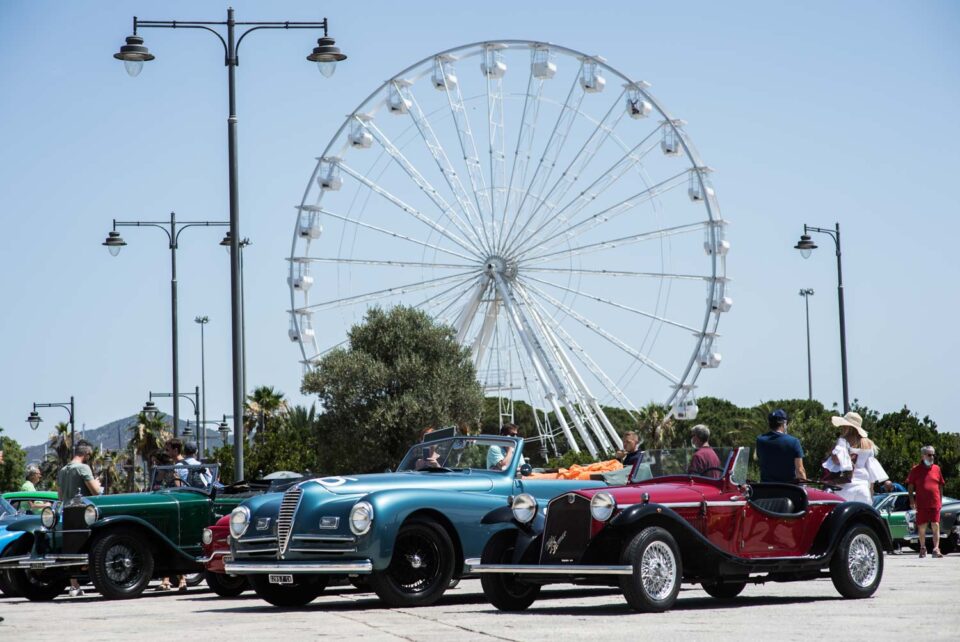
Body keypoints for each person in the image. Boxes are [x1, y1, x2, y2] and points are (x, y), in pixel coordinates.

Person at [57, 440, 102, 597]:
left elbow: (60, 495)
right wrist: (97, 483)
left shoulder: (62, 470)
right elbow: (96, 492)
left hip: (66, 512)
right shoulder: (83, 468)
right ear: (86, 454)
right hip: (82, 513)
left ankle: (74, 585)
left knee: (70, 548)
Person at [828, 412, 888, 504]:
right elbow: (871, 472)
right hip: (863, 487)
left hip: (845, 487)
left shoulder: (842, 441)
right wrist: (870, 492)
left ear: (848, 426)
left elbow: (836, 461)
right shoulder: (868, 443)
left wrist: (833, 451)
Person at [907, 445, 947, 558]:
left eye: (933, 454)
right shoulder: (915, 470)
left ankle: (936, 549)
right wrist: (911, 500)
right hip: (921, 503)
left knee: (935, 525)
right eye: (929, 455)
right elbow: (910, 486)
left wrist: (940, 499)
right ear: (923, 455)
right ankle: (923, 547)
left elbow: (940, 485)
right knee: (922, 526)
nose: (932, 457)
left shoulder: (937, 468)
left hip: (934, 502)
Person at [756, 409, 806, 483]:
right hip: (787, 490)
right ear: (784, 423)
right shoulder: (794, 442)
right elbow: (800, 470)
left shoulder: (760, 440)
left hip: (765, 490)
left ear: (770, 423)